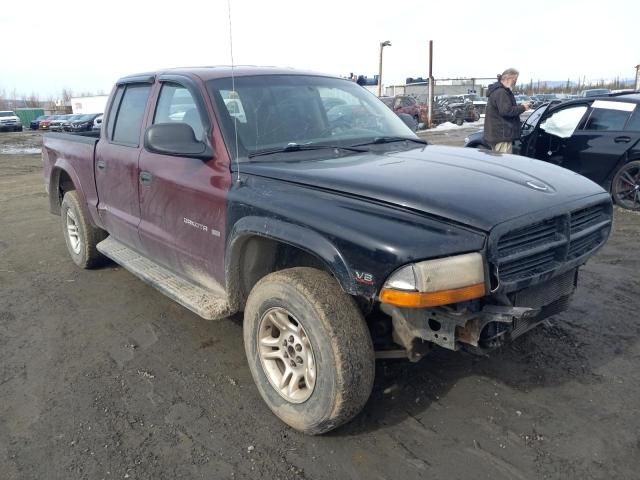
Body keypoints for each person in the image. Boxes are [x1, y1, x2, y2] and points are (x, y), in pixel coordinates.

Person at [485, 68, 531, 153]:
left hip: (498, 135)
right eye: (515, 79)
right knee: (502, 163)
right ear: (509, 78)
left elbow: (505, 108)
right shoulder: (501, 92)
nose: (515, 82)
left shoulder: (499, 91)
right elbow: (506, 111)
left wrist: (520, 106)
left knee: (498, 162)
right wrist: (523, 108)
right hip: (502, 136)